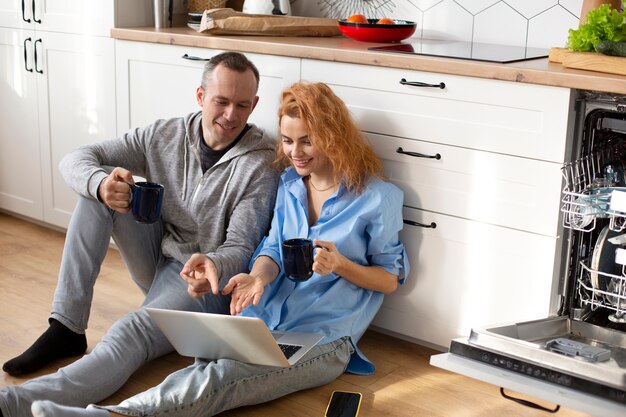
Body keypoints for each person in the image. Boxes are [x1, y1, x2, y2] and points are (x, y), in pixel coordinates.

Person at [27, 81, 409, 417]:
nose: (295, 151)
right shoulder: (290, 185)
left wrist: (340, 264)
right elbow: (272, 249)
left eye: (307, 140)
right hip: (263, 321)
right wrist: (255, 277)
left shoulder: (378, 198)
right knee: (202, 366)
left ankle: (111, 416)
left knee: (222, 378)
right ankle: (103, 394)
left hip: (324, 336)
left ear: (333, 135)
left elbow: (389, 280)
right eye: (289, 140)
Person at [0, 52, 279, 417]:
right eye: (221, 102)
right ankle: (66, 325)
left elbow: (241, 246)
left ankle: (14, 404)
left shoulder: (259, 164)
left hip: (204, 283)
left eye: (242, 105)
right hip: (160, 258)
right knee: (98, 195)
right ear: (200, 96)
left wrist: (211, 262)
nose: (230, 115)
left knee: (130, 332)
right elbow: (77, 157)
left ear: (254, 104)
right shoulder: (164, 135)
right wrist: (100, 184)